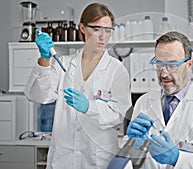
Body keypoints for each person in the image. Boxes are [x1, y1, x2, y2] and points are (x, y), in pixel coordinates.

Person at [24, 3, 131, 169]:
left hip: (98, 157)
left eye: (108, 30)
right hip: (63, 156)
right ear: (82, 27)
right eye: (96, 29)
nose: (103, 36)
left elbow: (119, 113)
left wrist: (90, 107)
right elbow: (39, 96)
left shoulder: (117, 70)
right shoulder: (65, 64)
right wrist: (45, 59)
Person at [126, 31, 193, 168]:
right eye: (159, 64)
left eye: (172, 65)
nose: (164, 73)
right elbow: (134, 160)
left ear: (189, 65)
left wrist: (177, 159)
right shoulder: (143, 102)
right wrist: (131, 145)